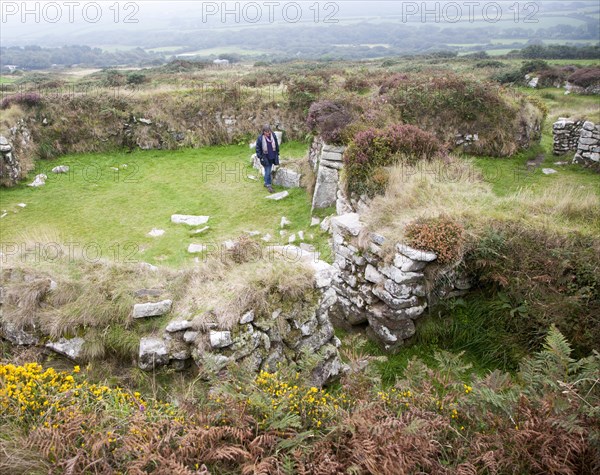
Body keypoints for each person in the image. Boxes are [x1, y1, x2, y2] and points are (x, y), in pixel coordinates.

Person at [255, 124, 279, 193]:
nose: (268, 133)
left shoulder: (273, 136)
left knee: (267, 170)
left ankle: (266, 182)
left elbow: (276, 144)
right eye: (266, 132)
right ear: (263, 132)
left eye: (269, 131)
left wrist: (277, 152)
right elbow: (257, 148)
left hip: (272, 156)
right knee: (268, 171)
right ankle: (269, 185)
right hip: (265, 157)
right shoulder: (260, 138)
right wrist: (260, 157)